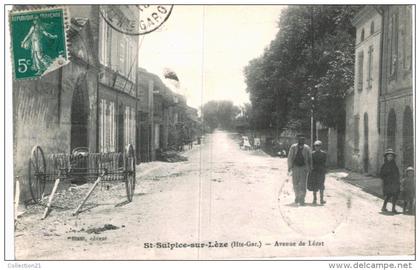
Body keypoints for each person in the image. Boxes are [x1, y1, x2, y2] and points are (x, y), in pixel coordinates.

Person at [287, 134, 312, 206]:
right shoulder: (293, 147)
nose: (301, 141)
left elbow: (310, 158)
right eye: (300, 139)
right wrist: (289, 167)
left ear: (304, 141)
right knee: (295, 183)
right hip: (295, 168)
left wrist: (310, 167)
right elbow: (290, 157)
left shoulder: (307, 148)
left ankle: (302, 198)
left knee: (303, 184)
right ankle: (297, 196)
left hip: (304, 168)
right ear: (298, 140)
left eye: (303, 140)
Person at [379, 149, 400, 213]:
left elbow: (397, 173)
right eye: (388, 156)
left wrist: (398, 180)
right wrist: (386, 177)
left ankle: (393, 208)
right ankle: (383, 207)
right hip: (388, 183)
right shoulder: (384, 165)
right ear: (386, 157)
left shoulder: (394, 165)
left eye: (391, 156)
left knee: (395, 195)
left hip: (395, 182)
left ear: (393, 157)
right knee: (388, 195)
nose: (390, 157)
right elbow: (381, 174)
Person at [308, 140, 327, 205]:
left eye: (318, 146)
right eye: (316, 146)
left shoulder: (324, 154)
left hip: (321, 171)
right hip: (314, 171)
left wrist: (325, 170)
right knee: (314, 185)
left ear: (320, 146)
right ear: (314, 146)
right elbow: (310, 162)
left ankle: (321, 200)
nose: (317, 147)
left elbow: (325, 162)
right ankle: (314, 199)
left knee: (321, 185)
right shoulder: (312, 154)